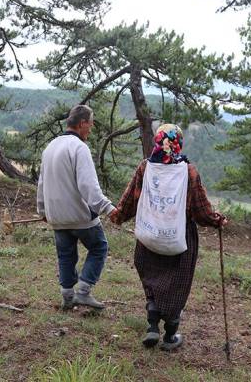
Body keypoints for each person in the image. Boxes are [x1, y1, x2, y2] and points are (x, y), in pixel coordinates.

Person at [110, 123, 228, 351]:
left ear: (158, 141)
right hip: (179, 237)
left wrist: (117, 216)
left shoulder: (145, 168)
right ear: (179, 143)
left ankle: (152, 326)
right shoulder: (189, 171)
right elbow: (201, 210)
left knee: (152, 278)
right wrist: (217, 220)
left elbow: (130, 200)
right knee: (177, 284)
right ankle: (170, 336)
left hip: (149, 234)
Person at [37, 104, 115, 310]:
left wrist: (42, 210)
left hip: (56, 216)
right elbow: (88, 185)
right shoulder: (79, 148)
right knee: (99, 247)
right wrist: (107, 208)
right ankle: (83, 291)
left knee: (65, 255)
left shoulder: (50, 146)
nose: (91, 128)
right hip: (79, 215)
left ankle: (67, 297)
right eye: (90, 123)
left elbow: (42, 183)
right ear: (82, 124)